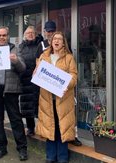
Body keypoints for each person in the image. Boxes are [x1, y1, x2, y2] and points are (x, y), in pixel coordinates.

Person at [0, 26, 28, 161]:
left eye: (4, 35)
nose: (1, 37)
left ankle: (22, 148)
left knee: (16, 120)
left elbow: (23, 69)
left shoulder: (16, 49)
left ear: (8, 36)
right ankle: (1, 148)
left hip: (10, 90)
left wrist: (16, 61)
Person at [34, 32, 78, 163]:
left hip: (63, 100)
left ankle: (63, 158)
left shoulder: (69, 58)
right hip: (47, 100)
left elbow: (74, 76)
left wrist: (67, 85)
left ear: (63, 42)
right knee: (50, 127)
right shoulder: (44, 56)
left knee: (62, 127)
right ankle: (50, 157)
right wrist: (36, 73)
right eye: (55, 39)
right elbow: (37, 72)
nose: (57, 41)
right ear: (51, 42)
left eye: (60, 39)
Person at [18, 26, 42, 136]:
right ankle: (30, 127)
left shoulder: (41, 45)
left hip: (41, 80)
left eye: (32, 32)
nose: (30, 34)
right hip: (26, 79)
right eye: (28, 33)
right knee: (27, 105)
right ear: (24, 35)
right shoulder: (21, 47)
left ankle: (42, 128)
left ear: (36, 34)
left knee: (41, 106)